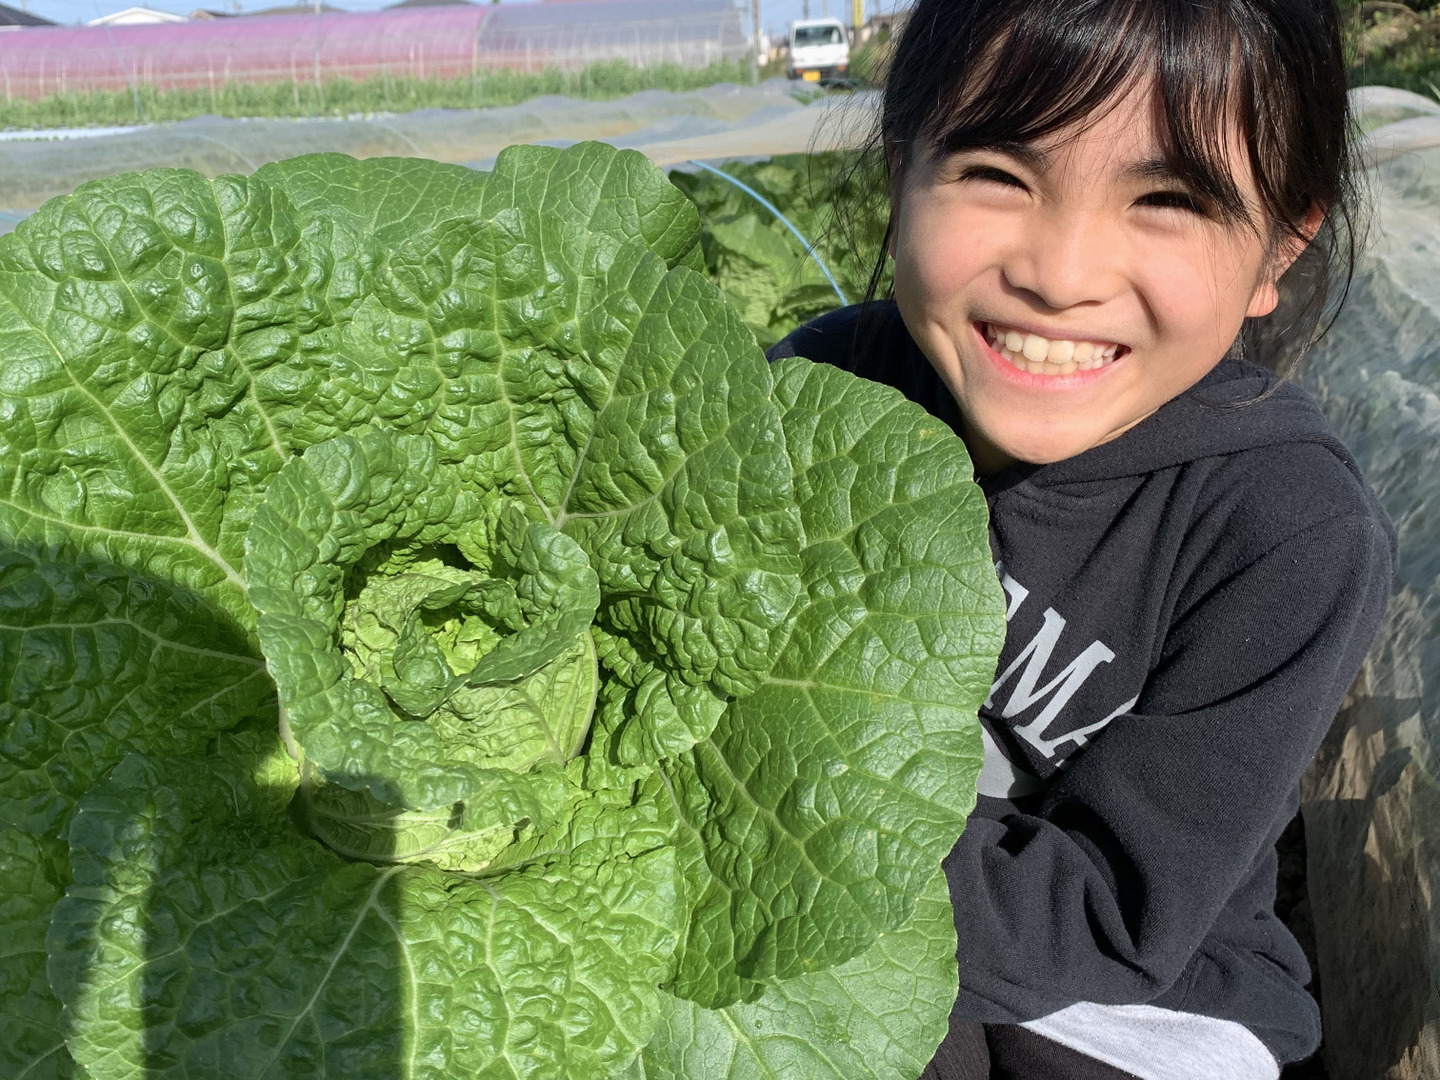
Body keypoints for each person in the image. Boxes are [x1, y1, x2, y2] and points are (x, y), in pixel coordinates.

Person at [766, 2, 1396, 1078]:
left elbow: (1115, 911)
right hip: (817, 903)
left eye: (1169, 199)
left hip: (1145, 1000)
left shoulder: (1287, 536)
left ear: (1278, 250)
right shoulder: (819, 394)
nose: (1061, 274)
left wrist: (778, 852)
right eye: (998, 175)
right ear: (902, 173)